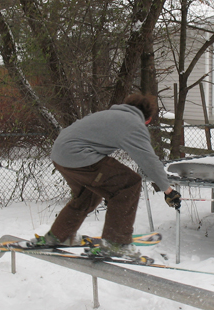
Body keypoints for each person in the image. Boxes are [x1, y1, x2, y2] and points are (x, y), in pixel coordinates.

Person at [27, 93, 181, 260]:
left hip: (60, 155)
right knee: (128, 184)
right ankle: (116, 244)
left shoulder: (107, 115)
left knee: (88, 195)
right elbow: (149, 160)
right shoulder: (133, 124)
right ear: (148, 119)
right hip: (79, 156)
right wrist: (168, 190)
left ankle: (59, 236)